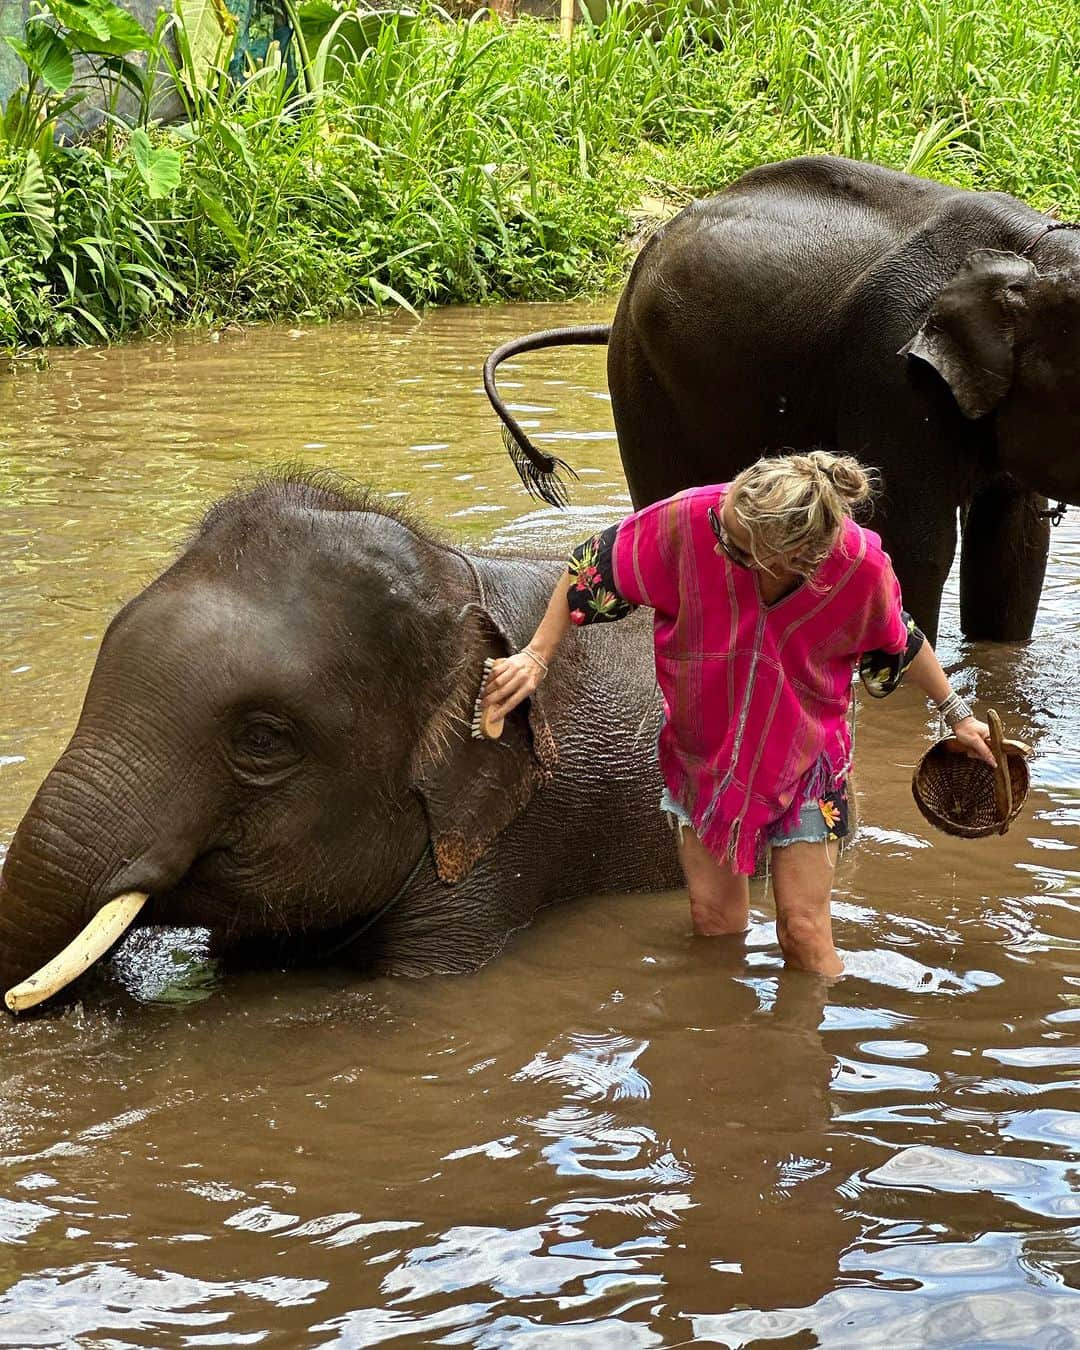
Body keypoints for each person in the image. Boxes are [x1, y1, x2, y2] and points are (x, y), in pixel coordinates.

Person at [481, 450, 996, 977]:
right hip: (702, 753)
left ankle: (809, 1050)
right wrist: (535, 656)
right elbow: (591, 567)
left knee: (803, 932)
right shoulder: (694, 518)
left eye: (733, 545)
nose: (717, 539)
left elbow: (899, 636)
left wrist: (958, 715)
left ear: (792, 558)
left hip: (807, 762)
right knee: (715, 922)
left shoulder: (858, 568)